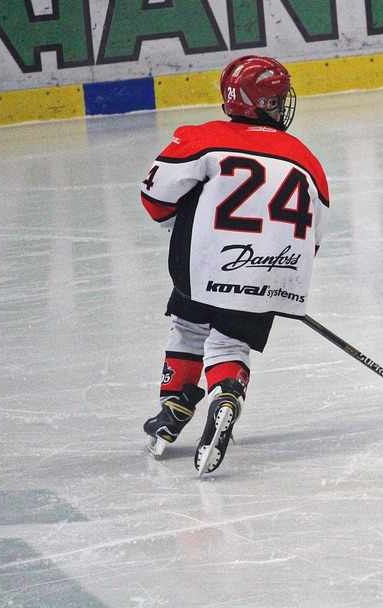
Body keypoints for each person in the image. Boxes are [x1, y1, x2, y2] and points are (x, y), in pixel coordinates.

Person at [139, 55, 330, 475]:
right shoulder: (308, 159)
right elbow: (311, 240)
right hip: (273, 271)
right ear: (256, 103)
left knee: (189, 328)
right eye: (276, 99)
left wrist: (191, 226)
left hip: (207, 265)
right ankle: (225, 394)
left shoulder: (203, 138)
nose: (283, 106)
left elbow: (154, 198)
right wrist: (274, 273)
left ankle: (174, 410)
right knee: (230, 344)